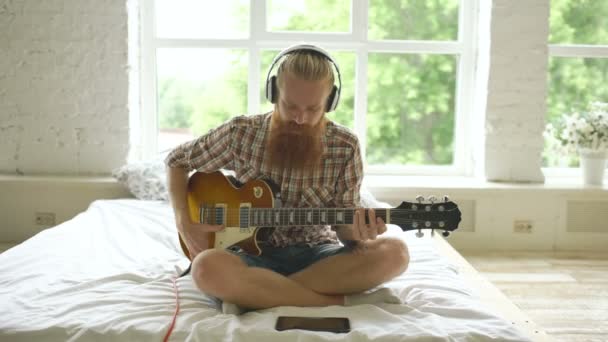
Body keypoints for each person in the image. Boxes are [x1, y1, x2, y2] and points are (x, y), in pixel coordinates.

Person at [164, 44, 409, 314]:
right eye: (289, 105)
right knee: (206, 268)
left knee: (395, 253)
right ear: (273, 93)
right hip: (247, 256)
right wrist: (183, 221)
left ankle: (258, 294)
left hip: (318, 257)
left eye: (313, 108)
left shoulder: (345, 146)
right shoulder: (241, 133)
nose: (300, 118)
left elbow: (346, 232)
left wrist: (359, 231)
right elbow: (176, 161)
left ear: (330, 102)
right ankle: (330, 302)